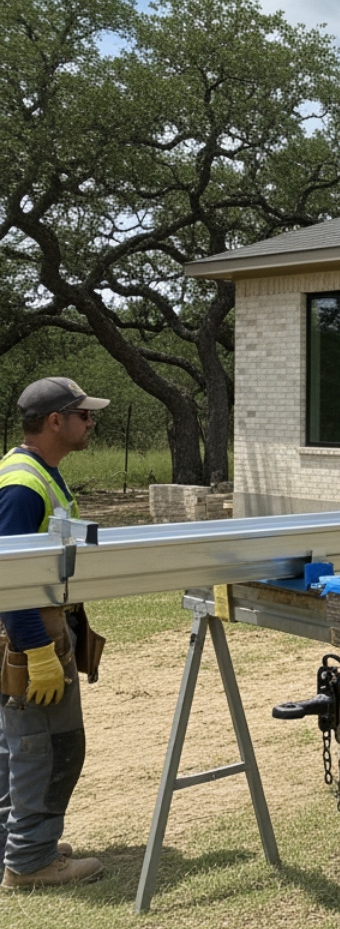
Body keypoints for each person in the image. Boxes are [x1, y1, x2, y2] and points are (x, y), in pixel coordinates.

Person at [0, 377, 109, 889]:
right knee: (50, 746)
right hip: (30, 632)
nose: (91, 422)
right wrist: (37, 649)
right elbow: (9, 574)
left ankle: (17, 842)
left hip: (32, 627)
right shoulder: (23, 484)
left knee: (16, 746)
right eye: (84, 414)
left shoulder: (38, 471)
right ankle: (31, 860)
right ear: (54, 421)